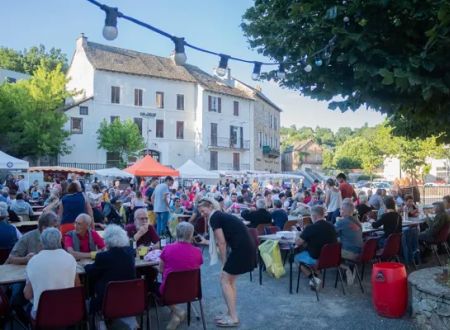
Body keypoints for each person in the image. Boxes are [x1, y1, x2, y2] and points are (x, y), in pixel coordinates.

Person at [197, 198, 254, 327]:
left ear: (210, 206)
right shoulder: (219, 215)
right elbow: (225, 239)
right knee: (230, 281)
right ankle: (230, 313)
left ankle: (233, 317)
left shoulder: (214, 218)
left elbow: (222, 243)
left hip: (241, 249)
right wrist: (206, 242)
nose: (202, 214)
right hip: (245, 247)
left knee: (224, 280)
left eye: (203, 210)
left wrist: (224, 263)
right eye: (200, 212)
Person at [84, 225, 136, 326]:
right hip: (128, 296)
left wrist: (86, 266)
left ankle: (100, 324)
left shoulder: (103, 257)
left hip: (106, 298)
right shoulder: (130, 252)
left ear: (107, 240)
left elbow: (91, 271)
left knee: (93, 281)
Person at [24, 228, 79, 320]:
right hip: (68, 311)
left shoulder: (33, 261)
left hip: (43, 315)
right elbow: (77, 286)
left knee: (25, 308)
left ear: (42, 243)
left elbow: (28, 295)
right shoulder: (70, 258)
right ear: (59, 241)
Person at [156, 222, 203, 330]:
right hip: (192, 291)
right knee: (176, 283)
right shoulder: (197, 251)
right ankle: (175, 315)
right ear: (191, 235)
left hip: (170, 291)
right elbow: (193, 267)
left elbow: (161, 270)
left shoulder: (167, 248)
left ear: (176, 233)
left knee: (154, 285)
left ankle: (176, 311)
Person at [294, 206, 337, 290]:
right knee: (311, 251)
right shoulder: (332, 225)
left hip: (317, 259)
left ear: (314, 216)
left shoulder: (311, 227)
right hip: (331, 258)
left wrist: (297, 234)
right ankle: (316, 273)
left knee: (296, 258)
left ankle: (313, 278)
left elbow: (298, 243)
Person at [335, 199, 363, 284]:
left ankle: (346, 267)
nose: (340, 210)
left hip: (349, 252)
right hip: (359, 252)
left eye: (341, 209)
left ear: (344, 210)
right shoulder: (357, 221)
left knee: (328, 251)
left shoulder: (342, 222)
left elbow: (330, 233)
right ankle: (350, 266)